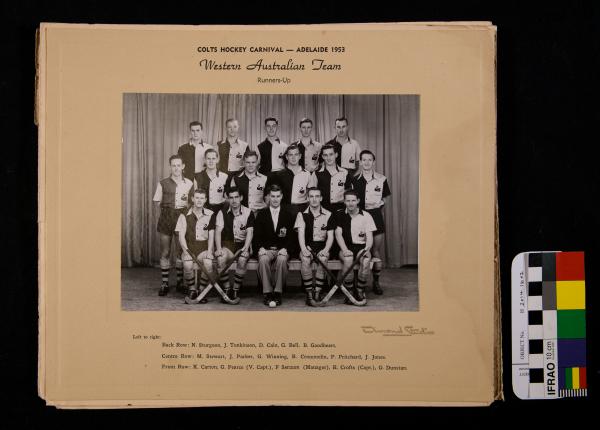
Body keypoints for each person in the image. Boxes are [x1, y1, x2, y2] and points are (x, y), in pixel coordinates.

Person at [350, 150, 391, 295]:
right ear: (360, 162)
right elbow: (351, 200)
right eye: (364, 160)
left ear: (373, 162)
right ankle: (356, 282)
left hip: (375, 216)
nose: (366, 163)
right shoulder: (354, 180)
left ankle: (376, 282)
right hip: (359, 217)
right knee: (358, 249)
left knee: (375, 251)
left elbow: (385, 199)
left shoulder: (381, 179)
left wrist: (376, 207)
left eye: (369, 160)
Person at [152, 154, 194, 296]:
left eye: (178, 165)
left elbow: (191, 202)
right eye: (173, 165)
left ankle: (180, 282)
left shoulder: (189, 183)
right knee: (165, 252)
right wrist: (167, 211)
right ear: (170, 167)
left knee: (180, 251)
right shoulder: (163, 183)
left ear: (183, 167)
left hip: (181, 218)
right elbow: (157, 201)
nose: (176, 168)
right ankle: (164, 283)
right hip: (166, 218)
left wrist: (182, 213)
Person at [252, 185, 296, 307]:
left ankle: (277, 293)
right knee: (263, 260)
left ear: (281, 197)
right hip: (266, 249)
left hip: (282, 250)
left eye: (277, 196)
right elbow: (256, 236)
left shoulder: (288, 215)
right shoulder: (262, 214)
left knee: (282, 260)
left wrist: (286, 249)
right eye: (272, 196)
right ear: (268, 197)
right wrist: (260, 248)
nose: (275, 199)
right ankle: (267, 293)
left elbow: (292, 237)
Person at [295, 187, 335, 304]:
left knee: (323, 259)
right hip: (307, 247)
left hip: (322, 246)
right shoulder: (301, 214)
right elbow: (301, 235)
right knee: (306, 260)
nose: (314, 199)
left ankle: (317, 291)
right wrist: (303, 249)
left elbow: (331, 236)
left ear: (321, 198)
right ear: (307, 198)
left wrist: (326, 249)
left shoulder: (328, 214)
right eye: (311, 196)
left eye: (317, 196)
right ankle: (309, 293)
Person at [335, 190, 376, 302]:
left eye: (353, 200)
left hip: (361, 247)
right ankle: (349, 291)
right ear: (344, 202)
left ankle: (360, 290)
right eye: (348, 200)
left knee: (366, 260)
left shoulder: (366, 216)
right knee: (348, 260)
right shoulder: (339, 214)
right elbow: (338, 234)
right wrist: (344, 250)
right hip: (346, 247)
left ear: (358, 201)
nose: (351, 203)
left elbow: (369, 236)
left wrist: (367, 249)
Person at [214, 187, 254, 303]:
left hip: (243, 244)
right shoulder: (221, 213)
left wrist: (246, 248)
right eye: (231, 198)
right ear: (227, 199)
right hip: (228, 245)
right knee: (220, 258)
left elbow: (250, 232)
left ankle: (236, 289)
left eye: (236, 197)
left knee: (242, 259)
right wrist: (219, 248)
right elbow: (217, 232)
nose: (234, 200)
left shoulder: (248, 212)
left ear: (241, 198)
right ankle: (226, 289)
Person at [175, 188, 216, 303]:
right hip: (189, 247)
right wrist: (186, 251)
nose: (199, 200)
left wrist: (209, 251)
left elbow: (211, 235)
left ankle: (202, 291)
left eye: (202, 198)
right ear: (192, 199)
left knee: (208, 263)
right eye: (197, 198)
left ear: (205, 200)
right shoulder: (184, 214)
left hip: (203, 248)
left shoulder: (210, 214)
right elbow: (181, 236)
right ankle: (192, 290)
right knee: (187, 264)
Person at [264, 144, 316, 217]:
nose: (293, 157)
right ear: (286, 157)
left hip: (302, 209)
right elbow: (270, 196)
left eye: (296, 154)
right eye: (291, 155)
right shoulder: (278, 175)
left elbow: (311, 195)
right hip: (284, 210)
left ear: (300, 156)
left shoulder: (307, 174)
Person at [312, 144, 352, 213]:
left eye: (331, 154)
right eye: (325, 155)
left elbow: (349, 194)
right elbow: (311, 194)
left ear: (336, 155)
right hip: (322, 210)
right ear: (322, 156)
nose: (328, 158)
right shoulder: (316, 173)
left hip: (340, 209)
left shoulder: (344, 173)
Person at [194, 148, 229, 213]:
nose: (211, 161)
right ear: (205, 160)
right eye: (208, 159)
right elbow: (195, 197)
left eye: (213, 159)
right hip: (203, 211)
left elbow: (228, 198)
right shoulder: (197, 177)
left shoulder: (224, 176)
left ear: (217, 160)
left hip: (220, 211)